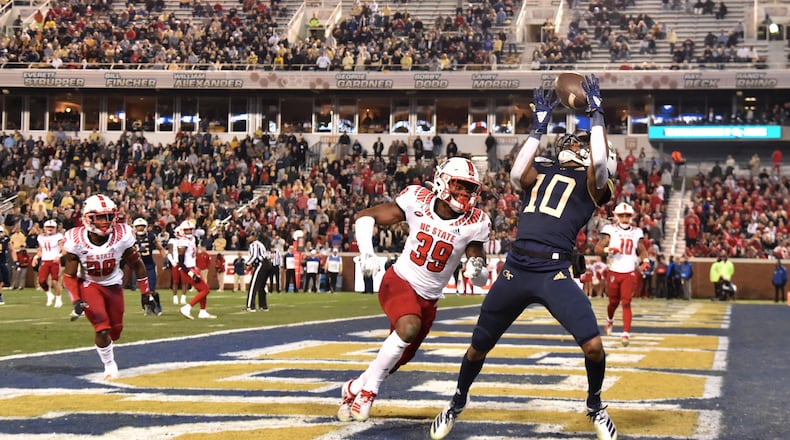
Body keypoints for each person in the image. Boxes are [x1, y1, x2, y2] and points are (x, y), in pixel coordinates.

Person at [430, 75, 618, 440]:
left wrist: (597, 117)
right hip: (517, 268)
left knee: (593, 347)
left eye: (580, 144)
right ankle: (456, 402)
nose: (572, 143)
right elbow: (517, 173)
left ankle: (595, 404)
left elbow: (598, 165)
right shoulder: (544, 170)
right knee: (477, 347)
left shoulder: (596, 184)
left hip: (553, 271)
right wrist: (537, 127)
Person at [338, 156, 491, 423]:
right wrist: (366, 253)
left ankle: (353, 387)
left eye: (470, 188)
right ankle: (368, 393)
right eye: (460, 185)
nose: (465, 193)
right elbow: (366, 217)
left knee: (397, 359)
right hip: (400, 281)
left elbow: (480, 271)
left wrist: (477, 270)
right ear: (443, 181)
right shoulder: (416, 199)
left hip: (429, 300)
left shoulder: (475, 223)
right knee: (407, 327)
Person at [64, 194, 150, 379]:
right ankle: (110, 366)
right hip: (89, 284)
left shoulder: (122, 235)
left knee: (115, 331)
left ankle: (109, 353)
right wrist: (76, 299)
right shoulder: (75, 239)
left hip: (114, 285)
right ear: (87, 218)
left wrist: (146, 293)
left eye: (109, 216)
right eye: (100, 217)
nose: (105, 221)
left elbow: (138, 265)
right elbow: (69, 275)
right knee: (101, 327)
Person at [594, 202, 649, 346]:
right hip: (614, 270)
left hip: (629, 271)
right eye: (622, 215)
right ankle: (610, 320)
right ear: (616, 216)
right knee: (613, 302)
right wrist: (608, 250)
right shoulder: (610, 230)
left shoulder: (637, 232)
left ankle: (626, 333)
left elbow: (642, 249)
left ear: (631, 216)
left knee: (626, 302)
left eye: (627, 215)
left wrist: (646, 260)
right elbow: (598, 249)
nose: (625, 218)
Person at [174, 220, 215, 319]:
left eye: (190, 230)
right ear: (182, 230)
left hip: (192, 267)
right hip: (187, 269)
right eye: (187, 230)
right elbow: (181, 262)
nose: (189, 232)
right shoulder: (182, 242)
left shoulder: (192, 239)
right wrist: (190, 273)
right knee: (205, 290)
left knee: (203, 289)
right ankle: (187, 308)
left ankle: (202, 311)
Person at [133, 217, 166, 316]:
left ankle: (158, 304)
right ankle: (149, 307)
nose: (140, 229)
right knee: (144, 291)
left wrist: (165, 258)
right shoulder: (131, 238)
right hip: (139, 267)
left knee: (152, 290)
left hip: (150, 266)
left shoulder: (151, 236)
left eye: (142, 226)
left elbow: (160, 248)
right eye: (138, 227)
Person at [33, 219, 65, 307]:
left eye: (52, 227)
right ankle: (49, 295)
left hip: (54, 261)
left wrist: (59, 256)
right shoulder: (41, 237)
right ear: (44, 228)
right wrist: (35, 257)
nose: (50, 229)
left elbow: (64, 249)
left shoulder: (58, 236)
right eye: (48, 227)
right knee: (41, 281)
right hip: (45, 260)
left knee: (55, 281)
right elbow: (40, 250)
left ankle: (58, 299)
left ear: (55, 228)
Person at [245, 234, 271, 312]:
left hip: (260, 264)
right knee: (261, 286)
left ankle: (250, 306)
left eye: (249, 236)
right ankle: (263, 305)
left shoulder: (254, 244)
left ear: (253, 237)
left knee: (253, 285)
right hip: (267, 264)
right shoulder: (260, 244)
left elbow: (254, 256)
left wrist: (247, 263)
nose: (247, 238)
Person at [0, 226, 15, 302]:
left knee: (4, 281)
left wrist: (15, 261)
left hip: (3, 263)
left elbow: (12, 250)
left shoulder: (5, 240)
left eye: (1, 232)